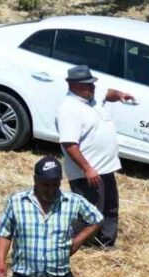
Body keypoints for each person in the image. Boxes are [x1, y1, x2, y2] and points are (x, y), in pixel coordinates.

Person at [0, 156, 104, 277]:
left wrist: (77, 241)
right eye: (46, 185)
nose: (51, 190)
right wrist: (0, 261)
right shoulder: (17, 202)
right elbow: (4, 232)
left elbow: (96, 218)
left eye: (55, 185)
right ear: (35, 180)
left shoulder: (71, 201)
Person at [55, 65, 135, 249]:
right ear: (72, 85)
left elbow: (108, 93)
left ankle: (106, 243)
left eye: (92, 84)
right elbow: (69, 144)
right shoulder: (69, 109)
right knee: (89, 212)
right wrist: (87, 168)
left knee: (110, 207)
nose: (92, 88)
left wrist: (120, 95)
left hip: (106, 168)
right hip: (87, 173)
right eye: (87, 85)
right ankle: (79, 245)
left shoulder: (92, 97)